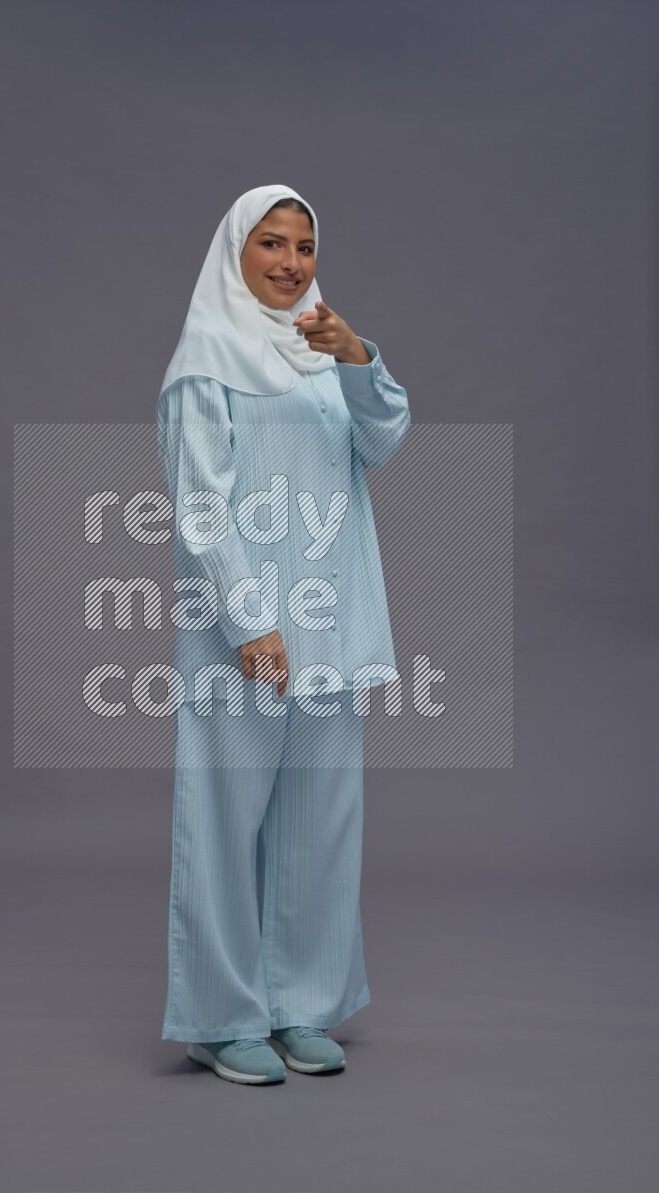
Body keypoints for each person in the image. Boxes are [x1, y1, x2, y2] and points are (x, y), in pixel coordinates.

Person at [155, 184, 411, 1085]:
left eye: (304, 246)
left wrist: (358, 358)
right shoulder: (207, 361)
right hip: (245, 632)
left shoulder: (323, 351)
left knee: (320, 820)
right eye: (271, 243)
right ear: (236, 252)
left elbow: (381, 443)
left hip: (333, 620)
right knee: (226, 819)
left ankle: (301, 1003)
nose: (290, 263)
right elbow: (197, 504)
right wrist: (251, 620)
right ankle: (221, 1018)